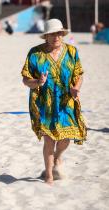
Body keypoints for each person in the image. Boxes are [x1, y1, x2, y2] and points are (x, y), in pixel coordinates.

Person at [21, 19, 87, 185]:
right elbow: (25, 79)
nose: (56, 36)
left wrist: (76, 88)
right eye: (52, 33)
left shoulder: (72, 51)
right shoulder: (35, 54)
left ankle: (57, 158)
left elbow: (79, 74)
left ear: (62, 34)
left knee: (66, 138)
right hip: (45, 103)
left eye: (59, 33)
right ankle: (49, 175)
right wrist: (38, 83)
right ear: (46, 36)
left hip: (67, 101)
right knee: (49, 139)